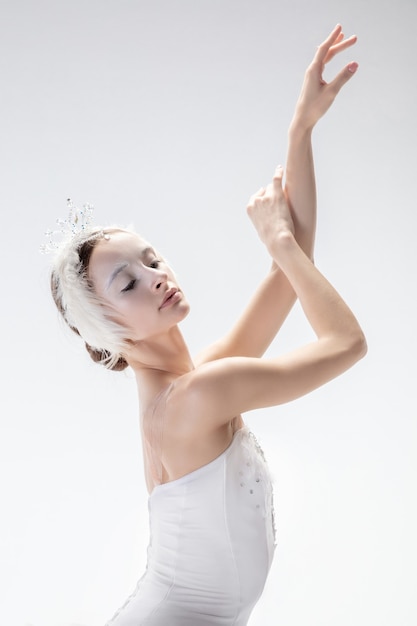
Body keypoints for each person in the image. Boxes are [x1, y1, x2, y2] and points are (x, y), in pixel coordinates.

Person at [47, 24, 366, 626]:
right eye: (128, 282)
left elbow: (294, 263)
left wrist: (302, 128)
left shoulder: (193, 385)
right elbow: (347, 344)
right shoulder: (198, 397)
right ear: (108, 331)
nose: (155, 275)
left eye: (151, 259)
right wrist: (280, 244)